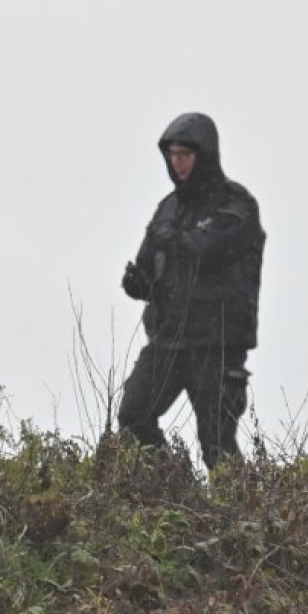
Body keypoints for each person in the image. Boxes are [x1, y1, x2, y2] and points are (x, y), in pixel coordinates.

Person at [118, 112, 266, 467]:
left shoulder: (236, 203)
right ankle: (172, 486)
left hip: (216, 344)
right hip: (168, 339)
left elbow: (210, 248)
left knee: (216, 443)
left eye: (185, 154)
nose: (178, 162)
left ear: (204, 155)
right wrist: (139, 284)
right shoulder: (168, 208)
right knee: (133, 416)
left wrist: (177, 243)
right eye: (173, 155)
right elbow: (149, 263)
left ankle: (241, 517)